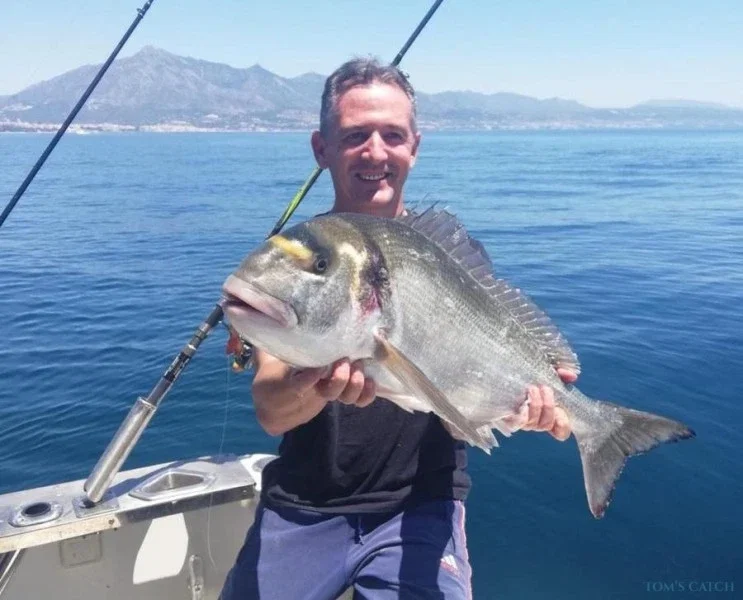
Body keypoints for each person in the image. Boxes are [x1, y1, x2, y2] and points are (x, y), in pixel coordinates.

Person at [220, 58, 576, 600]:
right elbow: (271, 410)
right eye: (355, 135)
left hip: (421, 507)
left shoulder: (454, 258)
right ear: (321, 148)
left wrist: (524, 409)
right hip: (303, 504)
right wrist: (311, 385)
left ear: (414, 146)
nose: (375, 152)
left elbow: (460, 411)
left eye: (392, 135)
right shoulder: (299, 258)